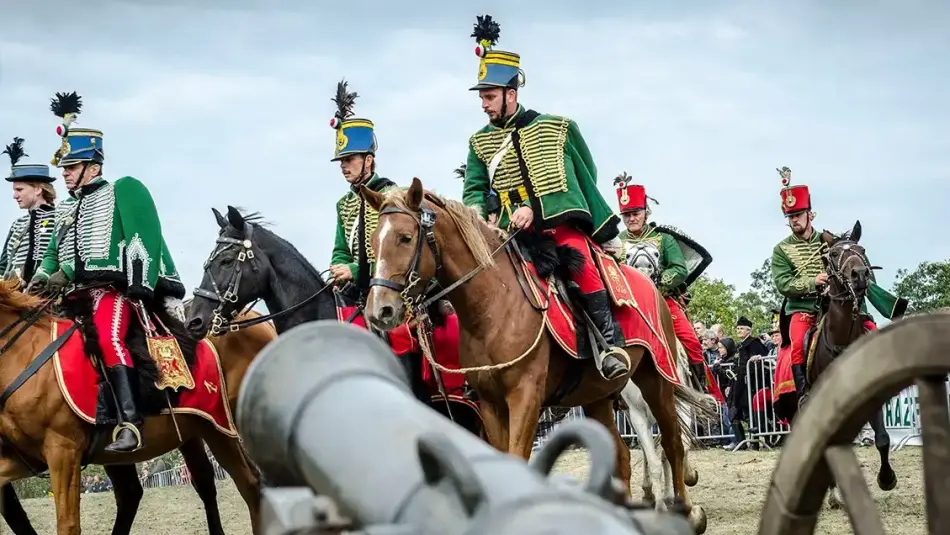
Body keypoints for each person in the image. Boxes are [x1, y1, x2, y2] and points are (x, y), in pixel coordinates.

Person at [460, 14, 628, 379]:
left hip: (554, 227)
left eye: (489, 96)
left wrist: (536, 210)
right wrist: (479, 216)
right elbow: (473, 188)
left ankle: (609, 343)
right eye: (482, 97)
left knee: (581, 260)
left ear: (511, 94)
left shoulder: (556, 127)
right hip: (506, 234)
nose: (484, 104)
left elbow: (583, 175)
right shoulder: (478, 143)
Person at [28, 91, 186, 453]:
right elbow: (53, 255)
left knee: (108, 336)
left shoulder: (119, 192)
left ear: (93, 167)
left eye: (71, 167)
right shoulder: (66, 208)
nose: (65, 174)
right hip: (70, 296)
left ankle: (130, 423)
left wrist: (136, 283)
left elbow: (137, 241)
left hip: (111, 292)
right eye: (64, 168)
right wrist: (43, 276)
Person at [770, 166, 907, 414]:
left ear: (810, 214)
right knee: (799, 344)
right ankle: (804, 393)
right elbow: (783, 284)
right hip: (801, 307)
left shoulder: (830, 241)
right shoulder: (781, 250)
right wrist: (813, 282)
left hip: (834, 303)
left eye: (799, 215)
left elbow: (852, 264)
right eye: (790, 217)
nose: (794, 221)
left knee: (870, 329)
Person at [614, 173, 719, 396]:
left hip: (661, 300)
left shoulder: (664, 238)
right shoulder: (617, 241)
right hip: (629, 303)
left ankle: (699, 387)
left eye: (635, 213)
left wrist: (657, 286)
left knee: (691, 340)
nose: (631, 218)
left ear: (646, 212)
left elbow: (679, 269)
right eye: (626, 215)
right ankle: (611, 394)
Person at [328, 79, 399, 296]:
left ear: (368, 161)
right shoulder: (344, 204)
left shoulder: (392, 196)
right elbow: (341, 250)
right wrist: (339, 269)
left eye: (349, 159)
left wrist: (355, 270)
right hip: (353, 289)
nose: (343, 166)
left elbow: (396, 253)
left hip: (388, 286)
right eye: (341, 161)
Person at [0, 137, 57, 286]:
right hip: (12, 293)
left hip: (45, 291)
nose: (15, 195)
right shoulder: (17, 224)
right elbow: (3, 265)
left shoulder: (59, 218)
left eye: (19, 189)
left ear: (38, 189)